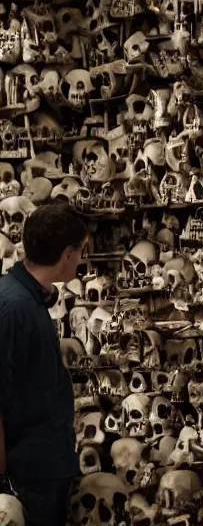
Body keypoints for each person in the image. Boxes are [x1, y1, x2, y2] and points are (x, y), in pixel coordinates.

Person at [0, 203, 89, 526]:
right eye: (80, 251)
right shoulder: (14, 308)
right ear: (67, 254)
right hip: (30, 474)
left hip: (42, 465)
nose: (81, 259)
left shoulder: (27, 299)